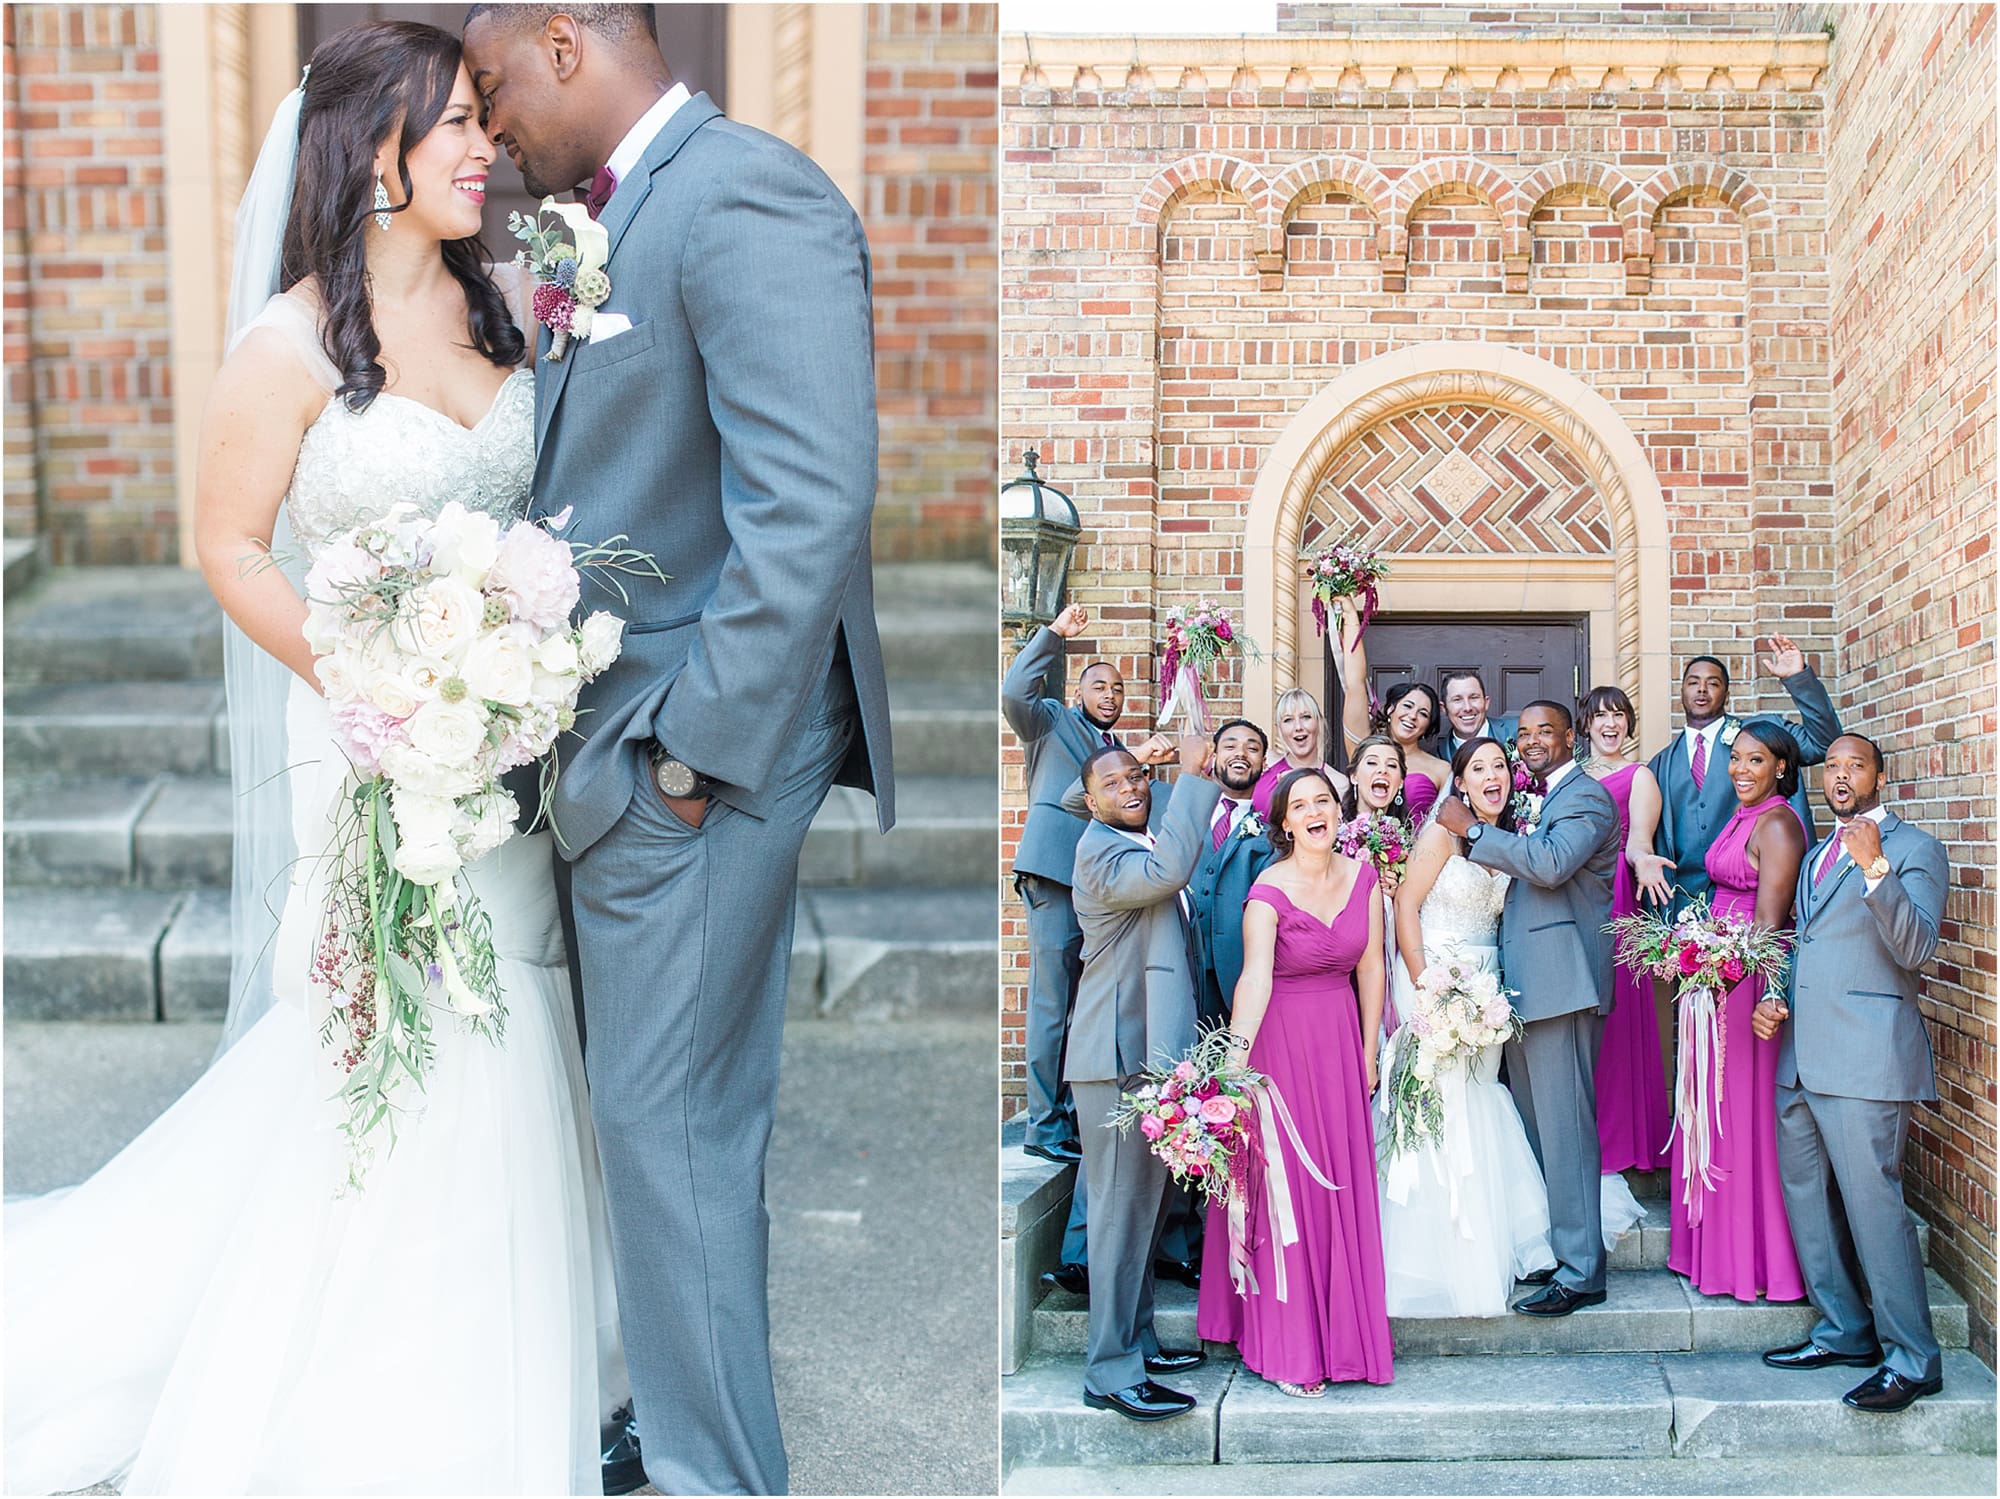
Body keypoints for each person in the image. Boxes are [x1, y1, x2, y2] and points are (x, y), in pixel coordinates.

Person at [5, 25, 628, 1493]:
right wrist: (385, 686)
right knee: (410, 1028)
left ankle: (512, 1327)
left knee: (515, 1008)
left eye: (487, 120)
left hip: (509, 739)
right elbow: (227, 546)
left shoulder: (508, 320)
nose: (489, 147)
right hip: (379, 741)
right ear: (372, 157)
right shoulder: (282, 346)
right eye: (457, 126)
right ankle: (395, 1391)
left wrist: (503, 669)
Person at [461, 10, 897, 1491]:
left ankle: (719, 1473)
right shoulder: (619, 216)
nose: (488, 119)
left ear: (567, 43)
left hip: (687, 763)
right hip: (622, 758)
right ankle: (681, 1416)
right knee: (658, 1126)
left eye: (494, 83)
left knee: (681, 1127)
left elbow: (810, 501)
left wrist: (689, 755)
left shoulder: (743, 192)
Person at [1763, 735, 1951, 1411]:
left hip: (1867, 1062)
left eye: (1855, 765)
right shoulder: (1815, 850)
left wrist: (1876, 869)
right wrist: (1772, 992)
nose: (1841, 775)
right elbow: (1805, 943)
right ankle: (1845, 1328)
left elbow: (1917, 947)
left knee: (1876, 1212)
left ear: (1879, 775)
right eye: (1833, 765)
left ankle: (1913, 1356)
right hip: (1800, 1059)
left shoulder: (1915, 849)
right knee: (1809, 1205)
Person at [1195, 768, 1394, 1396]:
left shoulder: (1364, 879)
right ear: (1285, 822)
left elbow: (1372, 971)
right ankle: (1291, 1346)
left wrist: (1368, 1052)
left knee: (1339, 1186)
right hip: (1280, 1048)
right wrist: (1233, 1065)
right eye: (1301, 805)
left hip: (1339, 1047)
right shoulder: (1266, 890)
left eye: (1324, 802)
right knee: (1295, 1192)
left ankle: (1346, 1342)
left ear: (1340, 812)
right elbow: (1254, 979)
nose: (1315, 812)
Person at [1003, 604, 1172, 1298]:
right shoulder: (1049, 721)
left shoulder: (1122, 758)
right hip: (1054, 870)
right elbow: (1012, 691)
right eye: (1099, 686)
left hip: (1099, 888)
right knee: (1050, 1001)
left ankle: (1068, 1111)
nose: (1109, 696)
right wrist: (1055, 635)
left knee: (1081, 1007)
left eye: (1118, 690)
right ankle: (1045, 1125)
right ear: (1078, 691)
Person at [1434, 702, 1621, 1317]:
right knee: (1544, 1129)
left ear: (1573, 737)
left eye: (1548, 730)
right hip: (1523, 988)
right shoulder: (1539, 799)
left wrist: (1474, 830)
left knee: (1566, 1130)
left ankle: (1581, 1271)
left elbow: (1547, 865)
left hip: (1562, 982)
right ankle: (1561, 1251)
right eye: (1525, 734)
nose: (1533, 741)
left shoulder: (1586, 798)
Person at [1066, 736, 1220, 1423]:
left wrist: (1151, 768)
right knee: (1119, 1216)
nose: (1131, 788)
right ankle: (1109, 1368)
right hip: (1113, 1057)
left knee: (1147, 1213)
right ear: (1090, 801)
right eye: (1114, 783)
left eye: (1138, 777)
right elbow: (1168, 872)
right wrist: (1187, 775)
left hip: (1146, 1058)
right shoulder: (1101, 850)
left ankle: (1139, 1340)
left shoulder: (1130, 833)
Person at [1376, 739, 1558, 1316]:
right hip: (1433, 973)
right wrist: (1427, 984)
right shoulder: (1442, 833)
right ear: (1459, 781)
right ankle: (1432, 1253)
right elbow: (1407, 908)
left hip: (1487, 981)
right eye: (1477, 768)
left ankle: (1494, 1235)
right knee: (1438, 1098)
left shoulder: (1510, 839)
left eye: (1499, 766)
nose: (1491, 775)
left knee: (1479, 1093)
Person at [1666, 719, 1808, 1305]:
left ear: (1780, 767)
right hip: (1715, 974)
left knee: (1739, 1114)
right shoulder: (1742, 816)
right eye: (1736, 759)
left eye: (1755, 761)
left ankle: (1752, 1259)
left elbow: (1772, 928)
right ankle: (1710, 1249)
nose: (1741, 770)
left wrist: (1738, 975)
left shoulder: (1779, 824)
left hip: (1748, 986)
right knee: (1710, 1104)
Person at [1644, 639, 1841, 918]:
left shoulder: (1762, 735)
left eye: (1712, 683)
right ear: (1681, 692)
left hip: (1756, 904)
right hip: (1681, 910)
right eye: (1693, 682)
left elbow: (1825, 743)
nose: (1702, 689)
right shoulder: (1659, 765)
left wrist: (1798, 678)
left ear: (1727, 694)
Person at [1579, 685, 1672, 1175]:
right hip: (1569, 893)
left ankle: (1619, 1142)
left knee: (1613, 1020)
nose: (1610, 724)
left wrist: (1644, 864)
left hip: (1613, 897)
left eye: (1619, 715)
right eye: (1600, 716)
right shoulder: (1568, 774)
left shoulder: (1639, 777)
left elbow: (1638, 840)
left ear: (1629, 724)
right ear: (1586, 724)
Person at [1187, 718, 1276, 1031]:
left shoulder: (1271, 838)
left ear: (1264, 764)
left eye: (1252, 749)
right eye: (1230, 746)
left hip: (1235, 976)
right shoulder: (1180, 812)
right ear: (1212, 756)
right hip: (1180, 970)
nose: (1241, 753)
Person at [1331, 610, 1450, 825]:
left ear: (1427, 726)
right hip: (1360, 849)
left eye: (1423, 714)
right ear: (1389, 710)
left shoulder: (1441, 769)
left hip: (1418, 854)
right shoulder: (1364, 747)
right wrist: (1349, 615)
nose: (1412, 716)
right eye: (1407, 706)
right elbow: (1355, 683)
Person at [1249, 687, 1350, 819]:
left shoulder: (1339, 782)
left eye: (1306, 717)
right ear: (1279, 728)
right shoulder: (1264, 762)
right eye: (1288, 720)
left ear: (1319, 722)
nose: (1298, 727)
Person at [1438, 670, 1518, 762]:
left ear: (1486, 702)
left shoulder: (1517, 732)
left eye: (1474, 697)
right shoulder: (1438, 756)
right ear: (1443, 708)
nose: (1467, 708)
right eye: (1457, 700)